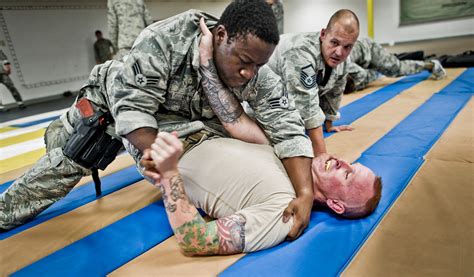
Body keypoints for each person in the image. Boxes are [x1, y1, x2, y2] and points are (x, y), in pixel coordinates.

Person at [1, 1, 314, 239]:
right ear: (221, 36)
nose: (249, 74)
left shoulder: (252, 64)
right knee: (77, 151)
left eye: (258, 66)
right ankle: (5, 211)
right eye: (245, 62)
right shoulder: (166, 41)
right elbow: (133, 105)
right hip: (115, 97)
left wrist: (304, 193)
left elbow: (286, 123)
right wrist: (156, 155)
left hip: (183, 118)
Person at [146, 131, 382, 255]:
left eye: (348, 175)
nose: (343, 163)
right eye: (352, 163)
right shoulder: (297, 160)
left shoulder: (286, 214)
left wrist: (169, 174)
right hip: (199, 122)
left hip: (165, 145)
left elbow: (195, 241)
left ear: (336, 205)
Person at [267, 9, 360, 157]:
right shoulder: (300, 52)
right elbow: (306, 104)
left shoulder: (344, 61)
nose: (339, 52)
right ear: (323, 34)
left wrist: (329, 124)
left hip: (288, 90)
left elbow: (334, 93)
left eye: (347, 46)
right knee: (286, 139)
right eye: (334, 42)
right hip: (262, 93)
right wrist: (322, 157)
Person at [345, 37, 447, 93]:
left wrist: (352, 87)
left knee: (397, 69)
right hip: (359, 59)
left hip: (370, 50)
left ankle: (431, 65)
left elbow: (362, 75)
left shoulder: (341, 64)